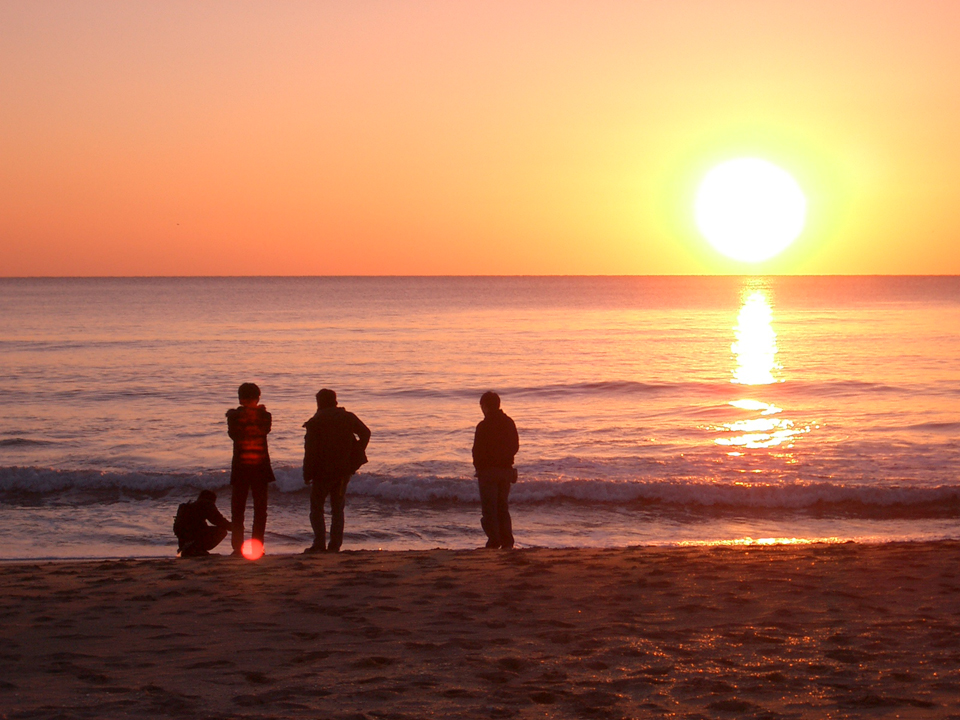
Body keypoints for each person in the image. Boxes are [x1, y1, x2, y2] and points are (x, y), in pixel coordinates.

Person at [302, 388, 371, 553]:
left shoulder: (315, 422)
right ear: (335, 402)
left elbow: (310, 451)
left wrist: (307, 473)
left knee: (317, 508)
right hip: (343, 470)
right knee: (337, 509)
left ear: (319, 403)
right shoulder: (347, 417)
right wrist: (355, 453)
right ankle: (335, 545)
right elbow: (366, 433)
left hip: (322, 472)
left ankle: (319, 543)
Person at [226, 382, 275, 556]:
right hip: (260, 467)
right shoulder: (265, 416)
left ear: (240, 398)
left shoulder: (233, 417)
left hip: (241, 467)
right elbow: (264, 430)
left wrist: (235, 413)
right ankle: (257, 546)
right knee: (260, 510)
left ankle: (237, 547)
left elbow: (233, 435)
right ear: (258, 397)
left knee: (238, 510)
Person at [472, 391, 519, 549]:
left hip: (488, 472)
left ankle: (494, 539)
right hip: (505, 470)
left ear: (485, 406)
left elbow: (476, 451)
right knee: (502, 507)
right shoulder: (508, 422)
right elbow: (514, 446)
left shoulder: (483, 426)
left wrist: (479, 468)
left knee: (489, 508)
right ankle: (507, 541)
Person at [173, 489, 233, 557]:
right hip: (192, 533)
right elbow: (218, 520)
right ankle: (197, 549)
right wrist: (233, 527)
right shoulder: (206, 503)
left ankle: (189, 548)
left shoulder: (187, 507)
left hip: (183, 537)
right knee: (221, 531)